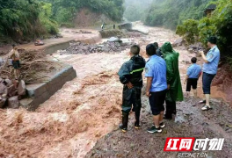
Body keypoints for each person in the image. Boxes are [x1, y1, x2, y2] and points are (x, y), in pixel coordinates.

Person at [118, 45, 146, 133]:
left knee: (126, 106)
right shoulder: (142, 61)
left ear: (130, 53)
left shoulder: (127, 64)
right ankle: (137, 124)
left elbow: (121, 76)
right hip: (138, 87)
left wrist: (126, 82)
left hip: (129, 88)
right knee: (137, 105)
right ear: (139, 53)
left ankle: (124, 127)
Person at [145, 44, 167, 134]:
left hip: (155, 90)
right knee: (161, 106)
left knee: (155, 109)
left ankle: (156, 127)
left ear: (146, 53)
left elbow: (149, 78)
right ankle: (161, 122)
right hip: (163, 87)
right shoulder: (162, 60)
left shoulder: (149, 63)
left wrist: (147, 90)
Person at [161, 42, 184, 119]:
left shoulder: (167, 58)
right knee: (172, 96)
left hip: (171, 80)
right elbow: (175, 51)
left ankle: (168, 114)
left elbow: (170, 72)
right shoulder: (174, 55)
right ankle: (174, 110)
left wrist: (167, 82)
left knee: (169, 97)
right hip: (175, 78)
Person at [199, 36, 220, 111]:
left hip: (209, 71)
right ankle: (204, 99)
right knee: (204, 85)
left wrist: (202, 54)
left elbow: (207, 60)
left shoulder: (215, 51)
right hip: (206, 70)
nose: (207, 43)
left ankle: (208, 105)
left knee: (206, 87)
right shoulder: (212, 49)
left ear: (210, 42)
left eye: (208, 41)